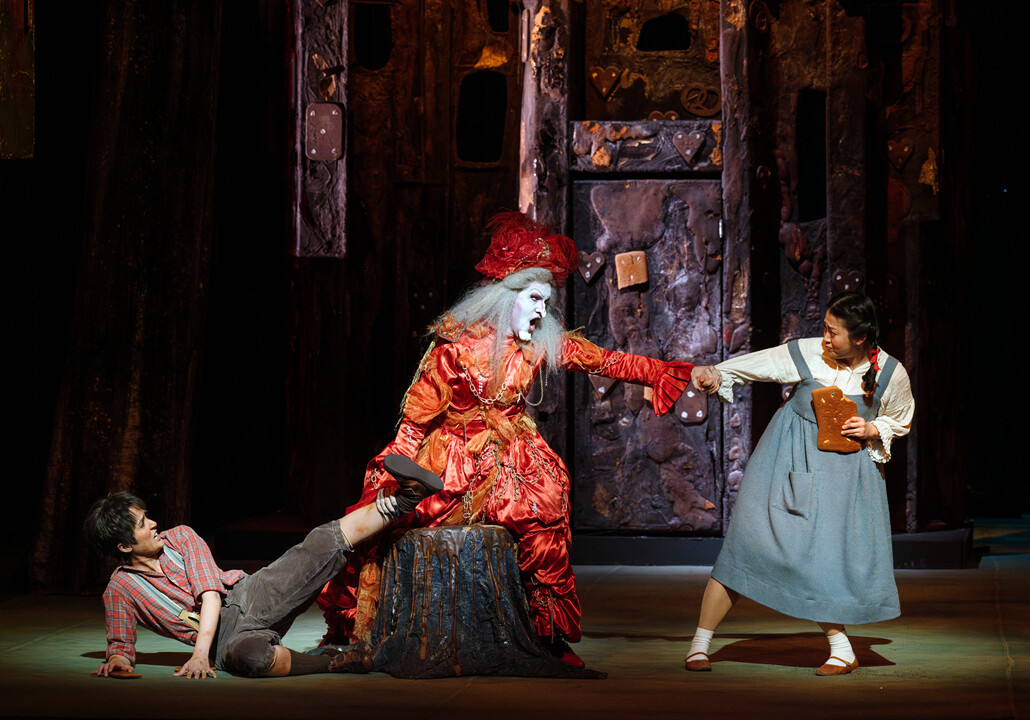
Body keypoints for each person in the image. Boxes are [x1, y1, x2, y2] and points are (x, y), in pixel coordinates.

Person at [317, 211, 694, 667]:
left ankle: (550, 637)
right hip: (451, 458)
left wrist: (661, 373)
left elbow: (603, 360)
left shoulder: (536, 344)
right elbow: (415, 424)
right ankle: (353, 627)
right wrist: (393, 471)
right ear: (504, 298)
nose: (541, 311)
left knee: (545, 510)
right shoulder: (454, 350)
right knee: (384, 522)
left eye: (546, 302)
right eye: (534, 298)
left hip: (513, 457)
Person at [684, 291, 914, 676]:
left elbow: (901, 418)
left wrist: (872, 428)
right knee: (747, 543)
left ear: (859, 337)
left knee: (821, 559)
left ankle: (841, 649)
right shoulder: (810, 353)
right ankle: (700, 642)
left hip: (843, 479)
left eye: (834, 332)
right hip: (786, 463)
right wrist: (717, 373)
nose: (826, 338)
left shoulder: (890, 372)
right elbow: (759, 365)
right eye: (825, 328)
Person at [85, 455, 443, 678]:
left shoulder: (180, 536)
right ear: (124, 546)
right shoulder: (120, 589)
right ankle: (338, 661)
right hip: (226, 640)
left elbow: (211, 596)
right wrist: (118, 660)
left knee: (317, 545)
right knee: (251, 659)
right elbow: (120, 642)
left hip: (247, 596)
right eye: (142, 524)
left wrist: (198, 657)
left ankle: (406, 497)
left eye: (147, 517)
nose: (153, 524)